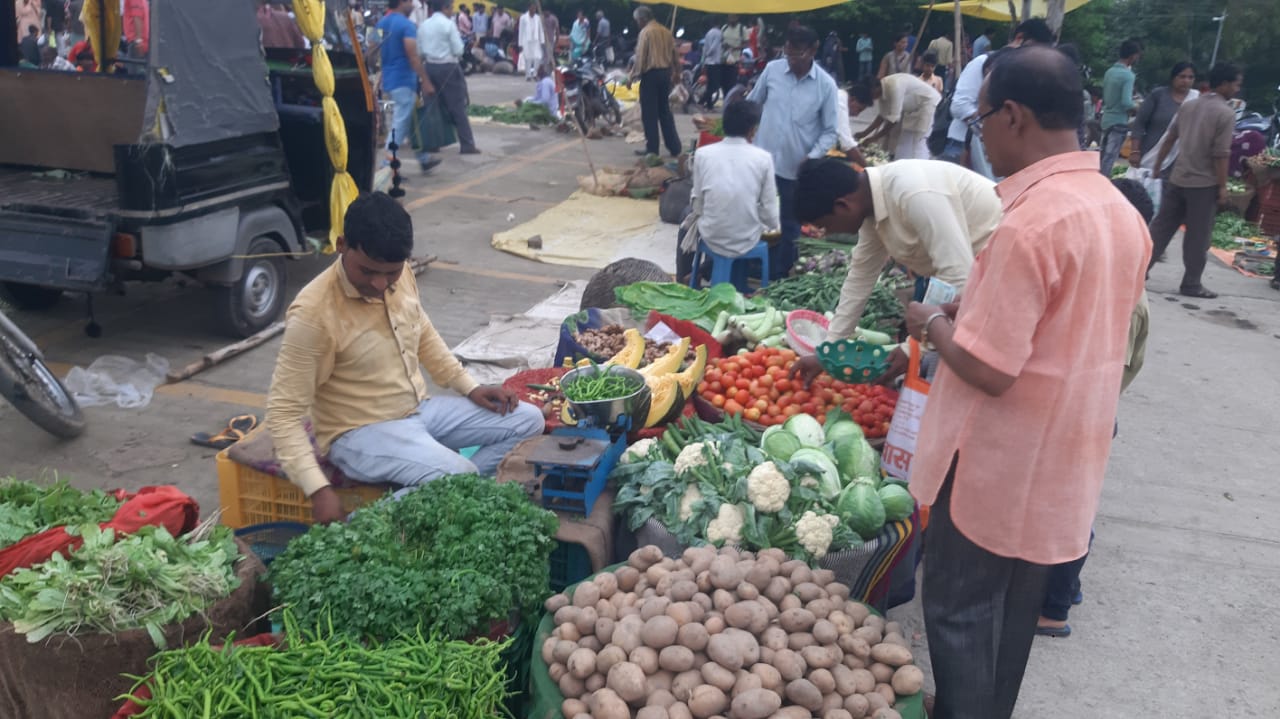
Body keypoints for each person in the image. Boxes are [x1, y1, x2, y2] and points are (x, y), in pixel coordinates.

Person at [906, 46, 1150, 719]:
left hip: (995, 464)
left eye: (981, 118)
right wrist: (971, 311)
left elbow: (989, 367)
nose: (979, 133)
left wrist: (932, 322)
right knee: (1012, 615)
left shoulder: (1029, 224)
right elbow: (1068, 326)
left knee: (958, 609)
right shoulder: (1119, 212)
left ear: (1012, 116)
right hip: (1066, 454)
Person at [266, 193, 544, 525]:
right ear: (341, 245)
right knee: (459, 474)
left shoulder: (402, 275)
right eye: (368, 272)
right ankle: (358, 527)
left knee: (528, 420)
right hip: (358, 433)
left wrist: (470, 387)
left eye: (391, 273)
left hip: (418, 411)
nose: (380, 283)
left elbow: (423, 332)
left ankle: (464, 492)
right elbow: (283, 414)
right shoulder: (313, 315)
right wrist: (318, 489)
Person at [1037, 175, 1154, 640]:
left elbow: (1101, 372)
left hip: (1087, 412)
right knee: (1065, 505)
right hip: (1083, 408)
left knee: (1069, 509)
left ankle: (1054, 608)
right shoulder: (1112, 282)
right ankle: (1065, 585)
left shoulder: (1123, 301)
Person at [788, 157, 1001, 383]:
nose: (827, 235)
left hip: (1000, 280)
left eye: (825, 227)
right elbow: (860, 278)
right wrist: (828, 351)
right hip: (973, 286)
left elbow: (959, 278)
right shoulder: (872, 208)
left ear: (843, 205)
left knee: (966, 379)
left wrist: (911, 349)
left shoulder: (914, 194)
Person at [746, 24, 838, 279]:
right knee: (752, 218)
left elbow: (831, 131)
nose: (792, 59)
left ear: (813, 50)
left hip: (795, 169)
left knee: (789, 226)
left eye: (798, 54)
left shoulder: (826, 86)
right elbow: (753, 103)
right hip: (761, 163)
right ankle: (750, 267)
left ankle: (777, 276)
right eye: (789, 53)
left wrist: (812, 157)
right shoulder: (773, 71)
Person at [1146, 62, 1242, 300]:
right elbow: (1221, 154)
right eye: (1236, 84)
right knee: (1198, 238)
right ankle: (1191, 284)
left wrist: (1158, 166)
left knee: (1160, 229)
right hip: (1203, 183)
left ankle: (1138, 270)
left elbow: (1170, 139)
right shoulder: (1226, 113)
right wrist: (1222, 187)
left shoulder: (1189, 106)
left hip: (1178, 177)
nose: (1237, 89)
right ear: (1225, 84)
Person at [940, 18, 1054, 179]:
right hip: (961, 145)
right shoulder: (982, 63)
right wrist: (993, 124)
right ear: (1019, 38)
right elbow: (959, 105)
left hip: (996, 152)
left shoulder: (1024, 72)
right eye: (1033, 49)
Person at [680, 100, 780, 282]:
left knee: (686, 219)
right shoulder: (764, 159)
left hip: (712, 235)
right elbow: (771, 216)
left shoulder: (703, 154)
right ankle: (724, 276)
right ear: (752, 130)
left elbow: (698, 205)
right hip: (747, 238)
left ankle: (686, 277)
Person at [377, 0, 441, 174]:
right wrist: (426, 80)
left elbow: (370, 50)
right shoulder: (407, 26)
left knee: (412, 121)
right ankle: (387, 164)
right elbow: (413, 56)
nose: (413, 4)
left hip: (389, 80)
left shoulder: (380, 23)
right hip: (404, 80)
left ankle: (424, 158)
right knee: (400, 125)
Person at [418, 0, 479, 155]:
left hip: (429, 67)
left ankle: (433, 144)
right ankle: (467, 144)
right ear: (445, 8)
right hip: (448, 67)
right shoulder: (448, 24)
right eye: (451, 8)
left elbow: (419, 51)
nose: (452, 11)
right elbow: (458, 50)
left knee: (432, 107)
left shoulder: (424, 25)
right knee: (457, 106)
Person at [630, 6, 682, 158]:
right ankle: (674, 147)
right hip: (665, 74)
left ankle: (652, 149)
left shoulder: (645, 32)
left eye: (637, 21)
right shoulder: (666, 31)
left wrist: (632, 76)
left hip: (651, 75)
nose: (637, 24)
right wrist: (677, 72)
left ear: (642, 19)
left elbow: (640, 57)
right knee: (665, 111)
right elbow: (675, 55)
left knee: (649, 114)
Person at [851, 73, 941, 161]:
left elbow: (894, 121)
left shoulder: (895, 86)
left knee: (918, 141)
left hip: (928, 102)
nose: (871, 97)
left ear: (875, 87)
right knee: (905, 142)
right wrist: (864, 134)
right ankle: (903, 168)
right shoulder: (882, 90)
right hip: (912, 108)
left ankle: (921, 168)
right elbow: (882, 116)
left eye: (871, 93)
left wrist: (874, 138)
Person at [1129, 62, 1198, 169]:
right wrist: (1134, 151)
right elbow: (1139, 123)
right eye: (1182, 77)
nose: (1186, 81)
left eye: (1190, 77)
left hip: (1178, 160)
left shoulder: (1196, 100)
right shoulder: (1158, 95)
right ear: (1173, 77)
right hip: (1150, 155)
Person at [1099, 38, 1142, 174]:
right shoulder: (1128, 76)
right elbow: (1126, 102)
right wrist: (1140, 107)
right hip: (1119, 121)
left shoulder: (1109, 72)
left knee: (1102, 157)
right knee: (1110, 158)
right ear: (1133, 56)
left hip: (1106, 119)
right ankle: (1103, 186)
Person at [721, 15, 747, 98]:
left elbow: (746, 44)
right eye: (730, 17)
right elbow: (720, 40)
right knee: (723, 82)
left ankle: (730, 100)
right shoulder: (724, 27)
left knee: (731, 83)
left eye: (733, 17)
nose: (731, 19)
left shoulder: (742, 29)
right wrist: (724, 45)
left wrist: (734, 48)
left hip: (734, 61)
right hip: (723, 60)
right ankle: (726, 99)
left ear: (737, 18)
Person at [516, 3, 543, 79]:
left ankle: (535, 73)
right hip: (526, 40)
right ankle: (528, 75)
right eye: (532, 8)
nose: (533, 10)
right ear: (529, 8)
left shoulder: (538, 18)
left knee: (538, 57)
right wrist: (520, 43)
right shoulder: (523, 18)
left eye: (535, 9)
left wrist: (542, 41)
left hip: (536, 40)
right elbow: (521, 31)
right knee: (528, 58)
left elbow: (541, 30)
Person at [699, 20, 723, 109]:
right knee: (714, 85)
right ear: (718, 24)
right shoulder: (718, 33)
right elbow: (714, 46)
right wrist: (709, 53)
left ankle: (709, 105)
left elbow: (704, 47)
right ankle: (701, 101)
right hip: (714, 62)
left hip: (708, 62)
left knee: (709, 85)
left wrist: (704, 58)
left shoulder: (708, 33)